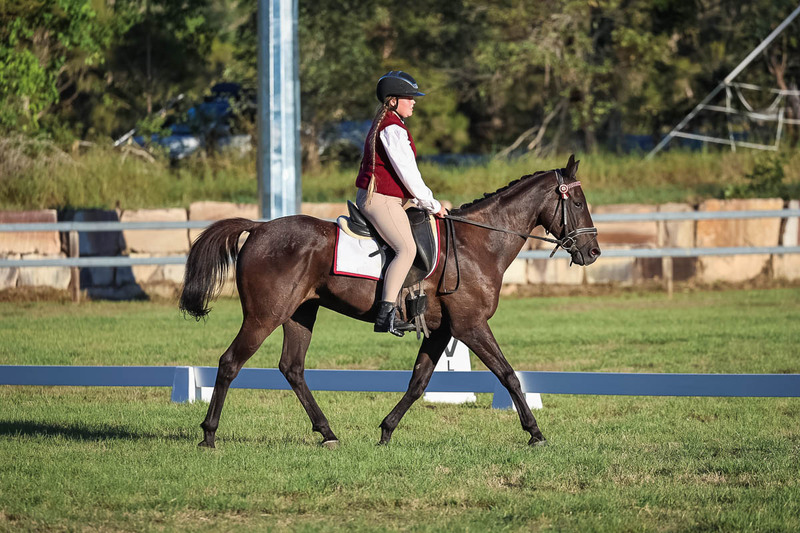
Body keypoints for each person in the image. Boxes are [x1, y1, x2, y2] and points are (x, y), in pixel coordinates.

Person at [355, 71, 447, 337]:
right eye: (409, 98)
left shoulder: (390, 122)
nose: (414, 102)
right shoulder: (393, 129)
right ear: (393, 101)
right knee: (406, 249)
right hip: (381, 199)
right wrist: (432, 204)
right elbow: (408, 174)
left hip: (391, 197)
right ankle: (385, 315)